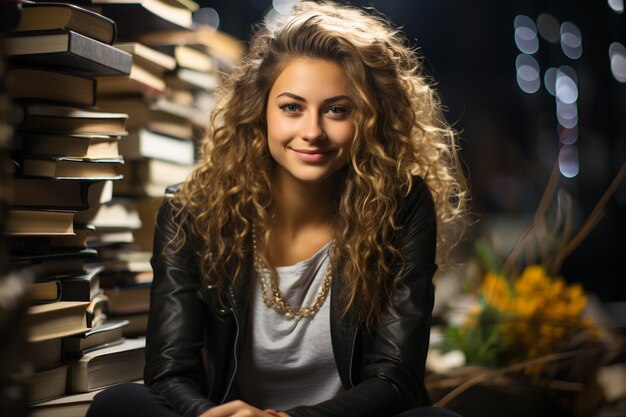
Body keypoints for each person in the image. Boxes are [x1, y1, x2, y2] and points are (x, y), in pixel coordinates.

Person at [87, 1, 469, 416]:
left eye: (337, 110)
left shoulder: (401, 206)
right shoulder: (191, 212)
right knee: (118, 404)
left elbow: (395, 378)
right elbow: (169, 371)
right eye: (292, 107)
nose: (312, 132)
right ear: (260, 111)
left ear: (369, 119)